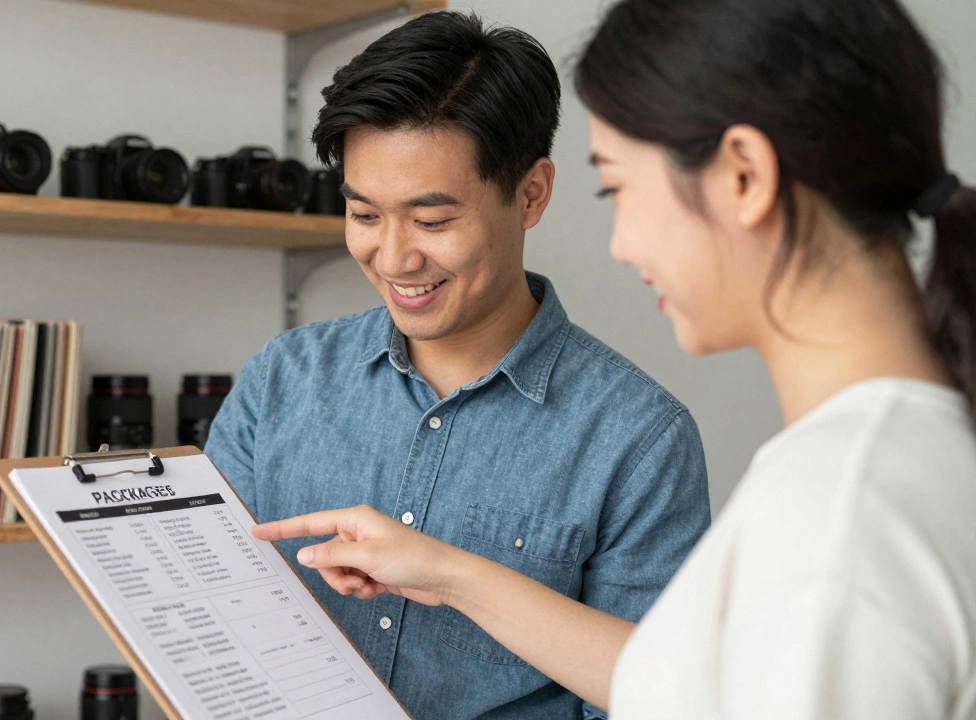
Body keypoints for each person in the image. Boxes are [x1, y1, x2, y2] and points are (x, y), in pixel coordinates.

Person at [253, 0, 976, 717]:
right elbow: (684, 691)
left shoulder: (838, 507)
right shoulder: (888, 460)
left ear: (745, 177)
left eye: (619, 188)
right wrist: (449, 575)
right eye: (365, 213)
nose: (621, 244)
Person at [205, 10, 712, 720]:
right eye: (364, 215)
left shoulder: (640, 438)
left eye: (433, 221)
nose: (394, 257)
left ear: (531, 193)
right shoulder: (281, 381)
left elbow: (664, 698)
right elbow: (209, 628)